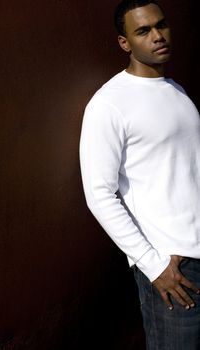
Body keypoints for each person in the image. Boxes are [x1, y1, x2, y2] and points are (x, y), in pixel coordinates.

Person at [79, 0, 200, 349]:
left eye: (161, 25)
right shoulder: (109, 104)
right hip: (173, 270)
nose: (158, 36)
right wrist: (154, 265)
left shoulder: (176, 91)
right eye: (143, 31)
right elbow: (99, 194)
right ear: (125, 43)